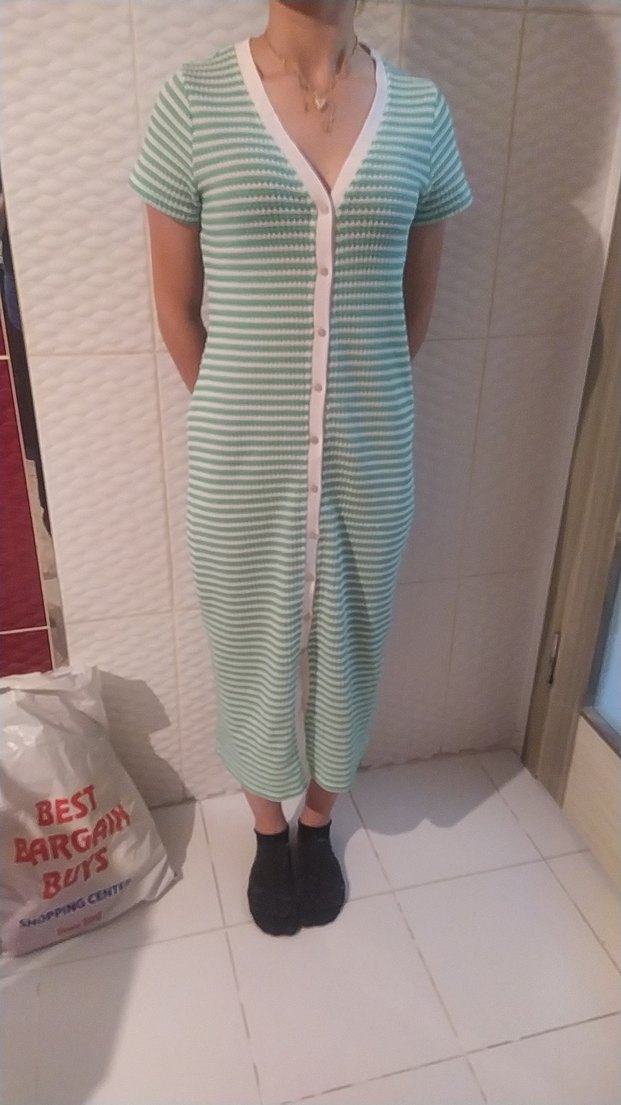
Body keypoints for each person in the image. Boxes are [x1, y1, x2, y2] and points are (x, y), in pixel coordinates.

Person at [129, 0, 472, 937]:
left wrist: (354, 411)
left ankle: (316, 822)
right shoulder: (194, 102)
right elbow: (176, 307)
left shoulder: (421, 113)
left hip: (373, 450)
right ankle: (267, 824)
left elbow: (411, 311)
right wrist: (248, 417)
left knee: (353, 640)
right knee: (248, 643)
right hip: (238, 459)